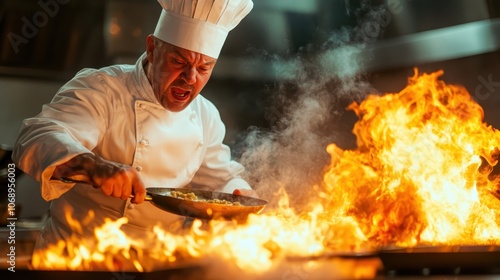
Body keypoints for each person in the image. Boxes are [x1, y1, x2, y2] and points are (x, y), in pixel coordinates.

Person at [12, 0, 256, 254]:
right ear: (152, 49)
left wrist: (235, 193)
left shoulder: (206, 115)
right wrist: (94, 166)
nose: (190, 78)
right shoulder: (103, 88)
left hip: (157, 263)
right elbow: (37, 136)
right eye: (178, 62)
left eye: (204, 67)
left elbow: (221, 178)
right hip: (76, 257)